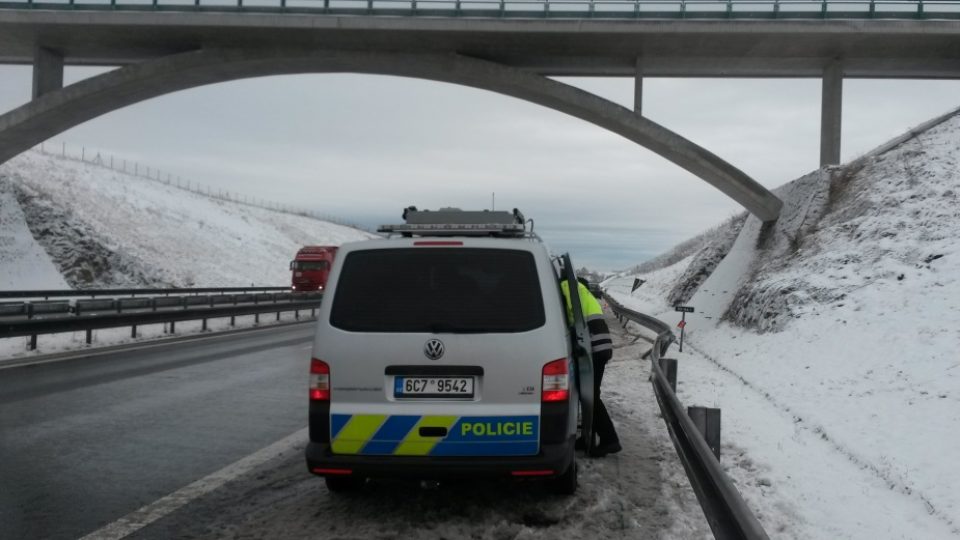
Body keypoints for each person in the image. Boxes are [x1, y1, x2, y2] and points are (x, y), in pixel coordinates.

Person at [560, 279, 621, 458]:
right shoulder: (583, 292)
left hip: (592, 348)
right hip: (599, 347)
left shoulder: (567, 287)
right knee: (590, 394)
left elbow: (569, 318)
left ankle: (610, 440)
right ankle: (588, 437)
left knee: (590, 396)